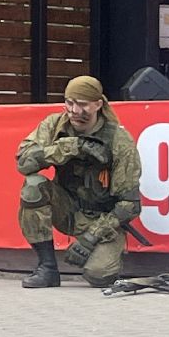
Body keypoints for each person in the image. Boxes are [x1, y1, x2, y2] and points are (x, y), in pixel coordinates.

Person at [16, 74, 142, 288]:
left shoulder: (118, 140)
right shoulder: (54, 125)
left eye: (82, 105)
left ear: (98, 105)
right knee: (33, 186)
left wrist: (90, 238)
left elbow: (130, 205)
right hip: (66, 208)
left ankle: (104, 254)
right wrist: (70, 146)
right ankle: (47, 268)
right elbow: (24, 163)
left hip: (103, 219)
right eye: (69, 103)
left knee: (99, 276)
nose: (74, 111)